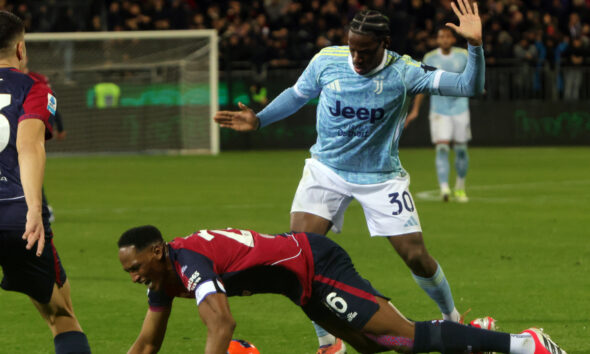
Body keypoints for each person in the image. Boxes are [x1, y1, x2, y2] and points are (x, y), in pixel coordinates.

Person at [215, 0, 484, 352]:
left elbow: (469, 86)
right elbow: (298, 95)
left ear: (384, 44)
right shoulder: (327, 61)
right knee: (299, 257)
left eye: (365, 51)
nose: (356, 58)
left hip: (380, 176)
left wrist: (475, 46)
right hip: (326, 170)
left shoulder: (405, 72)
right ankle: (328, 341)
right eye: (353, 48)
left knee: (415, 255)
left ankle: (453, 322)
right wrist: (260, 119)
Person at [118, 225, 566, 354]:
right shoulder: (162, 275)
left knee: (405, 339)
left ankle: (526, 345)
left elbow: (222, 324)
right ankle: (476, 339)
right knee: (379, 345)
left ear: (157, 250)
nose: (135, 276)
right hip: (301, 288)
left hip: (316, 264)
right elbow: (146, 343)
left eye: (137, 267)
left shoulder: (189, 262)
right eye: (129, 273)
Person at [0, 11, 91, 354]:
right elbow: (29, 145)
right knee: (61, 316)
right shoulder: (33, 86)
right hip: (16, 219)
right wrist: (35, 210)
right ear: (21, 49)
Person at [404, 27, 472, 202]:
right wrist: (415, 110)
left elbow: (472, 76)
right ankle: (444, 188)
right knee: (442, 148)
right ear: (437, 39)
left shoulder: (463, 55)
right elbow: (422, 85)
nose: (444, 39)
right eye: (441, 36)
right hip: (439, 110)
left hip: (460, 107)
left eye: (447, 36)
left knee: (461, 150)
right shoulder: (430, 58)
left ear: (453, 39)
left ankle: (460, 187)